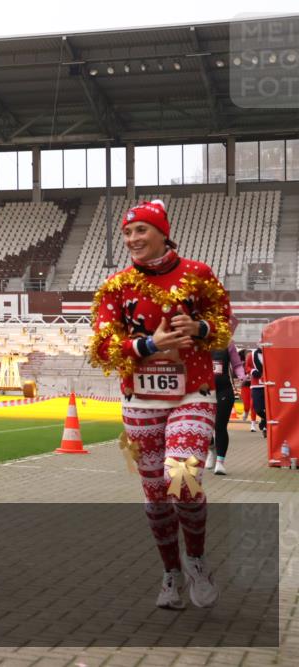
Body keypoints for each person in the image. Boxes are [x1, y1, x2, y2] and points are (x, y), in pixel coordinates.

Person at [89, 199, 231, 610]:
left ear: (162, 232)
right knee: (154, 496)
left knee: (182, 477)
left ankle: (198, 560)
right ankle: (171, 572)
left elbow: (223, 323)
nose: (132, 239)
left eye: (141, 230)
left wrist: (201, 327)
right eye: (128, 232)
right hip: (140, 401)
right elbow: (101, 346)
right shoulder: (115, 286)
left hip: (193, 394)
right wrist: (149, 344)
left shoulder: (199, 274)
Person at [206, 339, 245, 476]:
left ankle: (220, 463)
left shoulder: (228, 343)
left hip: (224, 390)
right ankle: (211, 448)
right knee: (205, 426)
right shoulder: (200, 341)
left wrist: (242, 376)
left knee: (220, 426)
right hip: (204, 390)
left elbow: (237, 364)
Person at [250, 347, 267, 438]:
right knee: (258, 409)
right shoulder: (252, 354)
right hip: (256, 385)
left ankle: (265, 428)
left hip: (269, 384)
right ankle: (265, 420)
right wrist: (253, 371)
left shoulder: (270, 353)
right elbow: (247, 367)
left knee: (267, 408)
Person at [241, 348, 256, 432]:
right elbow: (237, 374)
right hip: (245, 386)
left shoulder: (256, 364)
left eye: (250, 355)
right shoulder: (242, 365)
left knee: (253, 405)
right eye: (248, 355)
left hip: (254, 386)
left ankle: (253, 424)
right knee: (246, 405)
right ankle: (246, 411)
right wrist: (243, 377)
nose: (249, 357)